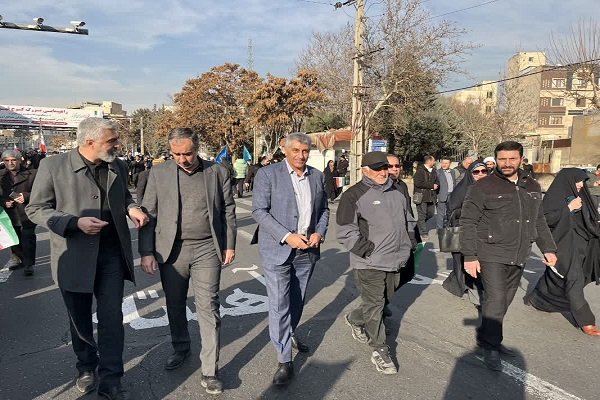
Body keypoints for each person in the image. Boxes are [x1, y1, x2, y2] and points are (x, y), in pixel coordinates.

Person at [26, 118, 148, 400]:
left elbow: (123, 197)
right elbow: (36, 209)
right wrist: (73, 223)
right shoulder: (53, 166)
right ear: (90, 142)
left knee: (112, 319)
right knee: (79, 320)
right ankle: (86, 366)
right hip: (74, 257)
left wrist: (132, 208)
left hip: (112, 256)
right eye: (111, 141)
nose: (118, 145)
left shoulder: (118, 165)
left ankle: (111, 378)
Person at [139, 128, 236, 395]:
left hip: (207, 248)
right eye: (176, 154)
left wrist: (229, 244)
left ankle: (210, 370)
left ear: (197, 148)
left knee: (209, 306)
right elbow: (148, 214)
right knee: (175, 303)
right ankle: (181, 347)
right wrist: (146, 251)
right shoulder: (159, 174)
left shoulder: (217, 172)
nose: (183, 159)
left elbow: (228, 209)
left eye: (188, 153)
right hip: (171, 251)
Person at [460, 141, 557, 372]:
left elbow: (538, 220)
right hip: (490, 252)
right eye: (502, 159)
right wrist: (470, 255)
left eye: (512, 158)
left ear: (521, 159)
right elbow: (468, 221)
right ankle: (491, 346)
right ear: (496, 160)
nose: (507, 163)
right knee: (496, 299)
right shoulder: (483, 186)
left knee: (504, 301)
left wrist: (548, 248)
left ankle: (487, 336)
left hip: (519, 253)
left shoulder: (532, 185)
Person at [252, 132, 329, 386]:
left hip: (307, 250)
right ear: (285, 150)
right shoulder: (267, 174)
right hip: (278, 249)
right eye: (295, 150)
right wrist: (287, 236)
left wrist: (319, 232)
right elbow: (259, 211)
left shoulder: (317, 176)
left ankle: (289, 332)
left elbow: (324, 209)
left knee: (297, 299)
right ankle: (284, 360)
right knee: (279, 303)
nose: (301, 156)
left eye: (305, 151)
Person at [337, 151, 416, 375]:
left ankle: (354, 318)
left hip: (397, 258)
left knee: (384, 300)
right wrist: (367, 250)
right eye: (377, 169)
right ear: (365, 170)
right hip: (369, 262)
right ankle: (380, 349)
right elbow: (345, 230)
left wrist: (410, 242)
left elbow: (409, 219)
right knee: (375, 304)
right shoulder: (353, 195)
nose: (383, 172)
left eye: (385, 168)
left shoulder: (397, 191)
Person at [525, 168, 600, 336]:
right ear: (568, 181)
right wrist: (568, 208)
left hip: (582, 244)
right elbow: (544, 220)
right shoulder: (554, 197)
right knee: (574, 277)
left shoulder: (582, 194)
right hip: (562, 243)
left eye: (583, 181)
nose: (581, 184)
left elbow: (591, 218)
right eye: (578, 181)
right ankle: (586, 320)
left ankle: (539, 299)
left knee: (563, 275)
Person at [441, 160, 488, 302]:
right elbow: (452, 210)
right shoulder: (463, 189)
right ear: (470, 174)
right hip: (461, 230)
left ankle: (470, 283)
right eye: (476, 172)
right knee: (460, 261)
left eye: (484, 171)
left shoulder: (488, 188)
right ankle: (458, 285)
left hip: (481, 232)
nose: (480, 174)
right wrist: (469, 211)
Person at [0, 150, 37, 275]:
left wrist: (25, 196)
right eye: (6, 160)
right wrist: (4, 202)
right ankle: (20, 260)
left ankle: (29, 264)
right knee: (15, 238)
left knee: (28, 237)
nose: (10, 163)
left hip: (27, 211)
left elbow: (41, 192)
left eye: (13, 160)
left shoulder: (32, 174)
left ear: (19, 160)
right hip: (10, 213)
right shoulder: (1, 176)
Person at [413, 155, 439, 240]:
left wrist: (437, 185)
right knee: (422, 215)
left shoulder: (434, 170)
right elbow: (418, 183)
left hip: (431, 196)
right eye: (433, 160)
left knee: (431, 214)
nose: (435, 162)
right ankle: (423, 232)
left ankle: (419, 224)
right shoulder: (420, 170)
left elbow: (437, 181)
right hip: (422, 196)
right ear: (429, 161)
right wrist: (431, 185)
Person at [436, 156, 457, 230]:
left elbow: (454, 182)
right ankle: (439, 230)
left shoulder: (452, 171)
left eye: (446, 163)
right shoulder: (437, 172)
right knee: (441, 214)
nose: (444, 164)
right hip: (442, 195)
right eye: (443, 163)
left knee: (450, 213)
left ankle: (448, 228)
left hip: (451, 195)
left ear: (450, 164)